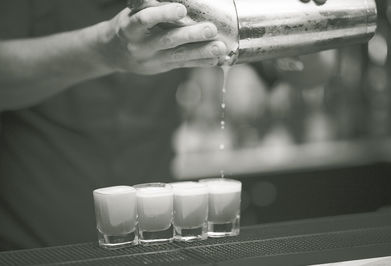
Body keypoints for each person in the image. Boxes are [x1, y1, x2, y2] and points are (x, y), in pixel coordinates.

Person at [0, 0, 326, 251]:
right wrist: (103, 51)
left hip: (156, 245)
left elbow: (311, 73)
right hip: (29, 247)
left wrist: (300, 15)